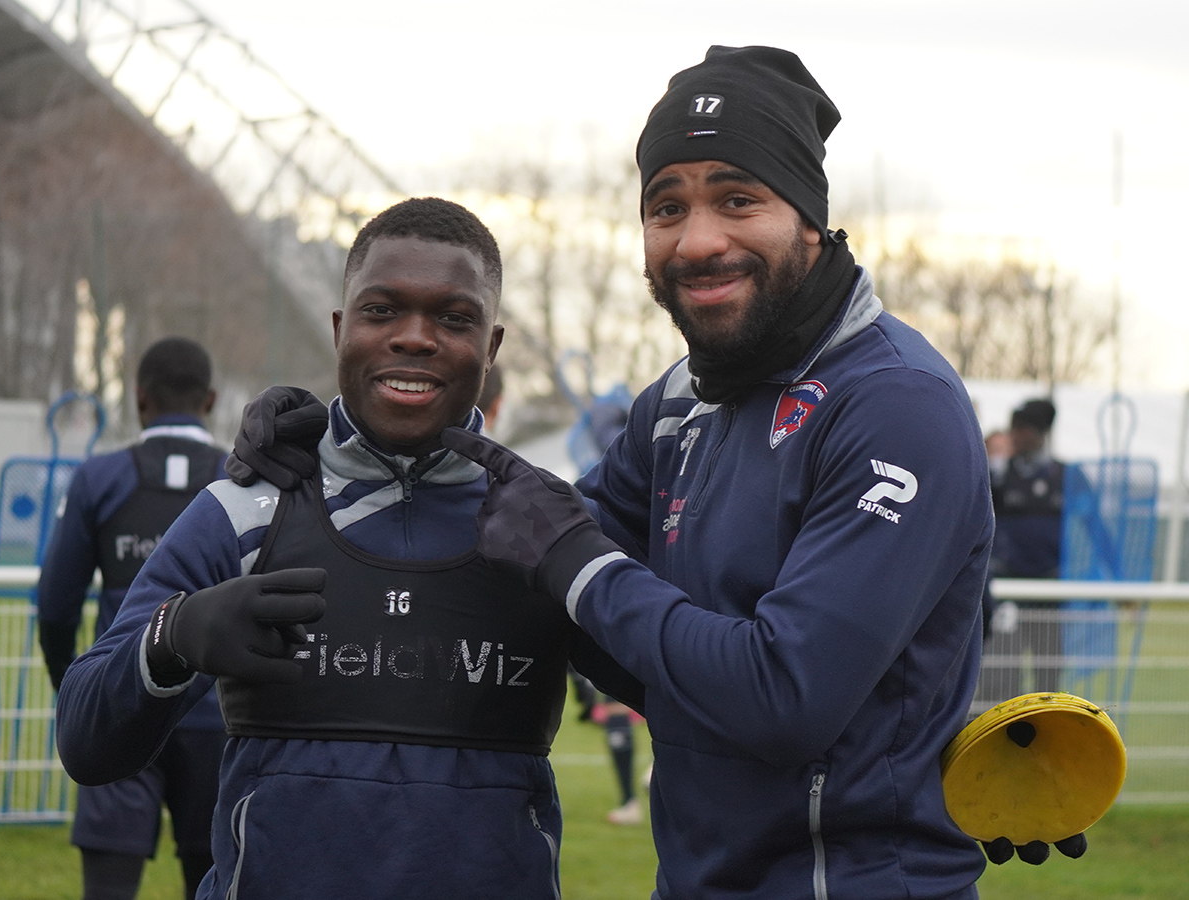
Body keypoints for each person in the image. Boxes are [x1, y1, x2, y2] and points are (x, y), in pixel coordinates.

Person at [230, 48, 1079, 888]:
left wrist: (582, 572)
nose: (697, 240)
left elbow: (784, 698)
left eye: (737, 199)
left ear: (810, 219)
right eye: (666, 207)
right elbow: (534, 565)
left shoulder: (896, 403)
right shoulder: (677, 402)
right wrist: (347, 448)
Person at [54, 198, 640, 899]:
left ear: (492, 346)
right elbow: (86, 742)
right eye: (382, 309)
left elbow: (703, 704)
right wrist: (172, 634)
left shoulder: (544, 527)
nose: (414, 337)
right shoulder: (249, 506)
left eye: (454, 318)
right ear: (341, 329)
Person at [37, 337, 227, 900]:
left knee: (109, 889)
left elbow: (55, 606)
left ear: (139, 399)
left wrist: (75, 694)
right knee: (217, 881)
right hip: (217, 720)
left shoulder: (99, 477)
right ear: (210, 399)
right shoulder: (238, 478)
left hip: (121, 706)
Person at [983, 398, 1066, 699]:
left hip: (1050, 589)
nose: (1015, 435)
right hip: (1008, 587)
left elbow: (1096, 527)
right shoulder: (1000, 476)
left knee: (1048, 673)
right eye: (1013, 428)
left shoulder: (1065, 476)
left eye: (1022, 429)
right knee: (1001, 671)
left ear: (1040, 433)